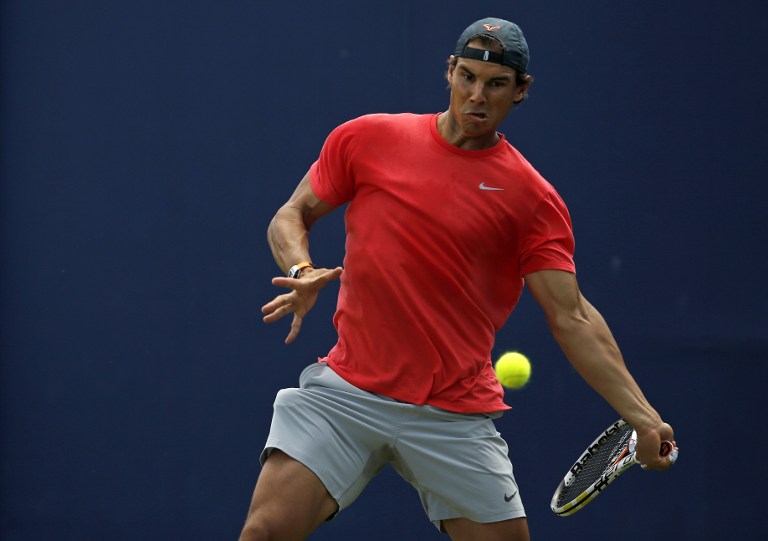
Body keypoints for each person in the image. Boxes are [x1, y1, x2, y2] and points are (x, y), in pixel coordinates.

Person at [239, 17, 676, 541]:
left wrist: (644, 418)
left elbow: (572, 315)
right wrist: (301, 270)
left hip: (452, 414)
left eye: (495, 84)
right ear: (448, 71)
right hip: (347, 393)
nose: (476, 95)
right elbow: (291, 215)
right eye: (466, 76)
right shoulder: (367, 139)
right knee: (265, 532)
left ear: (521, 91)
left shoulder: (532, 199)